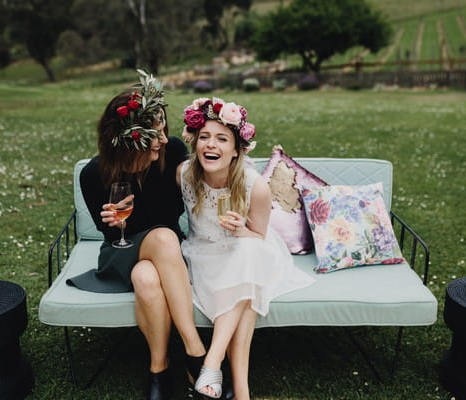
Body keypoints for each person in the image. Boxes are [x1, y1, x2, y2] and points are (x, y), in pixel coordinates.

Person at [66, 70, 207, 400]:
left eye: (162, 130)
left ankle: (159, 368)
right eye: (153, 135)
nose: (161, 139)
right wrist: (113, 222)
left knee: (146, 277)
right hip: (121, 250)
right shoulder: (94, 174)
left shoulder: (172, 152)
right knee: (161, 238)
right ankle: (195, 351)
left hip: (165, 255)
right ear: (129, 140)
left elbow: (196, 190)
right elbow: (110, 234)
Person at [180, 97, 315, 399]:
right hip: (203, 257)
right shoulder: (185, 175)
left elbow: (260, 236)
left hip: (252, 251)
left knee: (249, 256)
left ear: (237, 149)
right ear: (194, 141)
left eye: (221, 139)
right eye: (204, 137)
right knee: (247, 297)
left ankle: (212, 364)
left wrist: (242, 229)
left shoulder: (255, 186)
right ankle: (241, 391)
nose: (210, 145)